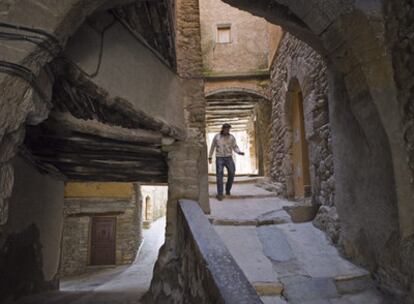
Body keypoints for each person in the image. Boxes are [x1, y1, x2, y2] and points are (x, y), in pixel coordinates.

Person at [208, 123, 245, 201]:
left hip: (228, 157)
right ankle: (220, 194)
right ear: (222, 129)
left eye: (228, 129)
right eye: (225, 129)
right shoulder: (217, 137)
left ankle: (228, 190)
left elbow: (235, 146)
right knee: (219, 175)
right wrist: (210, 157)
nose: (227, 130)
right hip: (219, 158)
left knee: (232, 172)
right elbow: (212, 147)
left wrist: (239, 152)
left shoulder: (231, 137)